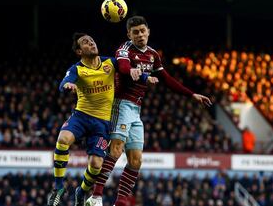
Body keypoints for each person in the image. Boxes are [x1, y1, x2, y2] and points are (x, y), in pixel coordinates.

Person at [85, 15, 212, 206]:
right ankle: (95, 197)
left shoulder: (153, 54)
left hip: (136, 109)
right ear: (129, 34)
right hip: (121, 104)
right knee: (116, 149)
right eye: (135, 32)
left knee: (136, 160)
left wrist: (192, 94)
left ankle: (119, 203)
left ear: (148, 32)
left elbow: (167, 79)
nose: (140, 35)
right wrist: (137, 74)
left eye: (143, 31)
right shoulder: (124, 49)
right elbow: (123, 66)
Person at [47, 33, 151, 206]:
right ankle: (58, 188)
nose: (91, 43)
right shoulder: (77, 69)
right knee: (63, 139)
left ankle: (81, 191)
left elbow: (126, 68)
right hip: (81, 116)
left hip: (102, 124)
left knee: (96, 165)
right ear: (80, 51)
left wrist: (145, 76)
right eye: (85, 43)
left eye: (92, 40)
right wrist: (68, 85)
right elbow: (63, 83)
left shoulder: (110, 63)